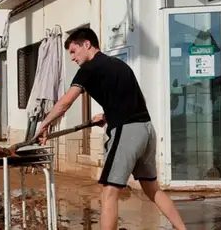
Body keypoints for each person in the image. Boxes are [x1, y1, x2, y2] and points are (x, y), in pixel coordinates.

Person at [34, 28, 185, 230]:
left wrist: (44, 124)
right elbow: (130, 100)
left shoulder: (89, 69)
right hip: (147, 130)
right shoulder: (119, 65)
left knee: (109, 192)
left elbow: (65, 103)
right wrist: (108, 116)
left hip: (127, 132)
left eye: (73, 51)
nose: (72, 58)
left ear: (87, 44)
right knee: (152, 188)